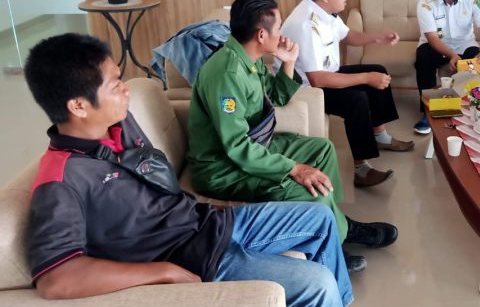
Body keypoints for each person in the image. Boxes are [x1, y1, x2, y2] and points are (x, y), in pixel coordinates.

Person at [23, 33, 352, 307]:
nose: (126, 90)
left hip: (207, 222)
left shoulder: (119, 122)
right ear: (78, 106)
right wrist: (162, 271)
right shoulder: (61, 180)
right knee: (317, 283)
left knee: (320, 217)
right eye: (115, 84)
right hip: (191, 256)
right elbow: (56, 279)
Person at [187, 0, 398, 273]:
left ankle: (337, 223)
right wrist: (294, 168)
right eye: (278, 27)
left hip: (255, 146)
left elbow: (276, 96)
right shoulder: (227, 75)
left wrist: (288, 62)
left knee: (323, 150)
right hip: (224, 168)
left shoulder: (249, 58)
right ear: (261, 34)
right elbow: (237, 148)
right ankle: (332, 243)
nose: (283, 34)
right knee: (306, 187)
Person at [280, 0, 414, 188]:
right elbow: (317, 79)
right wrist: (365, 78)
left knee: (378, 70)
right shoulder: (306, 24)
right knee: (357, 99)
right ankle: (361, 169)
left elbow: (347, 35)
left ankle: (380, 137)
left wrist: (378, 38)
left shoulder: (325, 11)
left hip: (325, 74)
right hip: (306, 89)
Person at [413, 0, 480, 135]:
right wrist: (451, 55)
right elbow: (432, 37)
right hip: (435, 45)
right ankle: (427, 112)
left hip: (465, 43)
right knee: (423, 59)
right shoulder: (426, 2)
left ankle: (470, 108)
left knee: (477, 61)